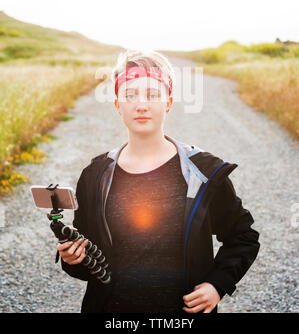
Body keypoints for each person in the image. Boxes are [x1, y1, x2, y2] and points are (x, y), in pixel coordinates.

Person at [57, 49, 260, 314]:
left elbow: (243, 236)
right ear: (118, 105)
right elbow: (86, 261)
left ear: (168, 102)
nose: (141, 104)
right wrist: (72, 259)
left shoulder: (202, 172)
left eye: (153, 94)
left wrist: (217, 284)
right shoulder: (95, 175)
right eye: (130, 95)